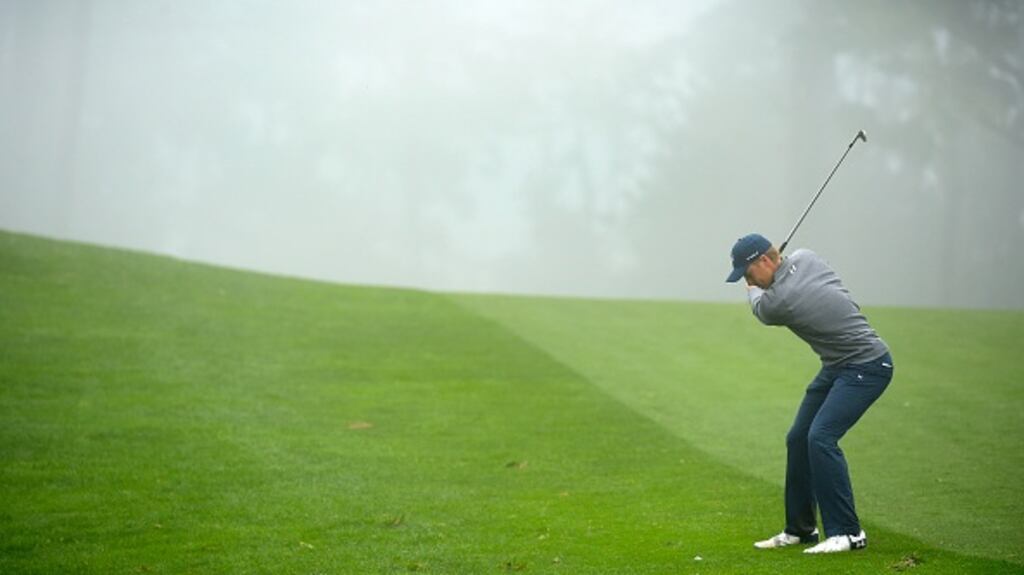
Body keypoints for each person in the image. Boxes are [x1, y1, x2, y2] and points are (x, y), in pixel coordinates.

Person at [725, 233, 894, 554]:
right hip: (837, 364)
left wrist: (754, 288)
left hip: (868, 366)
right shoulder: (806, 256)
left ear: (764, 261)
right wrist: (779, 269)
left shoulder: (779, 302)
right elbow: (791, 268)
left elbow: (760, 308)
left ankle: (849, 533)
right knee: (798, 437)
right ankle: (801, 530)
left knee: (821, 437)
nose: (748, 281)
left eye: (748, 274)